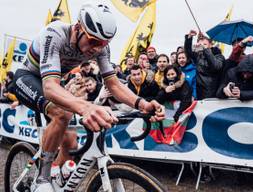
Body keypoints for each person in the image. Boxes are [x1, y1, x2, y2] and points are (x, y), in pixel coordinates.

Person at [12, 2, 165, 192]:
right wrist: (87, 107)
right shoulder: (55, 33)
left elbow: (114, 84)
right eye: (93, 41)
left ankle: (56, 175)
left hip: (54, 83)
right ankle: (41, 180)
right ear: (78, 28)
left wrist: (141, 103)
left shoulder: (101, 48)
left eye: (103, 44)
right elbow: (50, 87)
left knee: (72, 139)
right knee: (63, 114)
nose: (97, 48)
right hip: (28, 78)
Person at [184, 30, 225, 99]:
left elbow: (216, 66)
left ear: (210, 45)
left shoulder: (219, 56)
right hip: (200, 92)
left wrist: (206, 50)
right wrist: (189, 37)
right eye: (201, 44)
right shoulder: (198, 56)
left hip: (213, 92)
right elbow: (188, 52)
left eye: (205, 44)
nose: (202, 46)